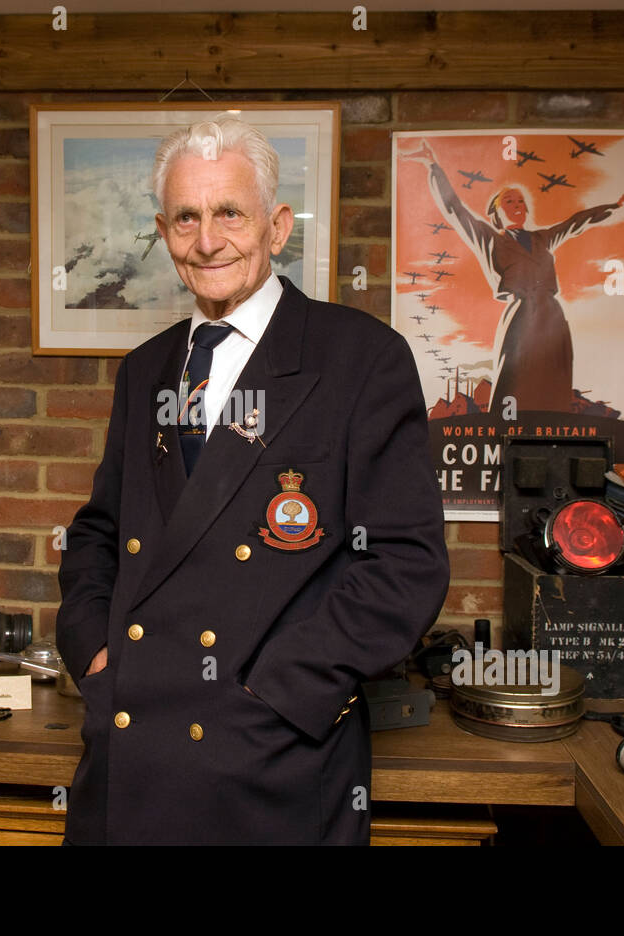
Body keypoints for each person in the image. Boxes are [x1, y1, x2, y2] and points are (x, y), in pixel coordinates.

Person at [55, 114, 450, 844]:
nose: (207, 241)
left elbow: (405, 564)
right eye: (186, 218)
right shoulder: (146, 370)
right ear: (161, 231)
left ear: (276, 225)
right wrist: (94, 650)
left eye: (229, 214)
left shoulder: (360, 358)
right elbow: (100, 532)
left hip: (275, 767)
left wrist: (279, 693)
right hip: (130, 752)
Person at [404, 140, 624, 413]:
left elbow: (575, 223)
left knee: (553, 381)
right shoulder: (490, 240)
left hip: (552, 317)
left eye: (520, 201)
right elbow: (455, 210)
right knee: (515, 379)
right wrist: (433, 166)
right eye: (509, 201)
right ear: (496, 214)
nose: (517, 205)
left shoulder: (542, 239)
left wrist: (614, 205)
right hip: (521, 315)